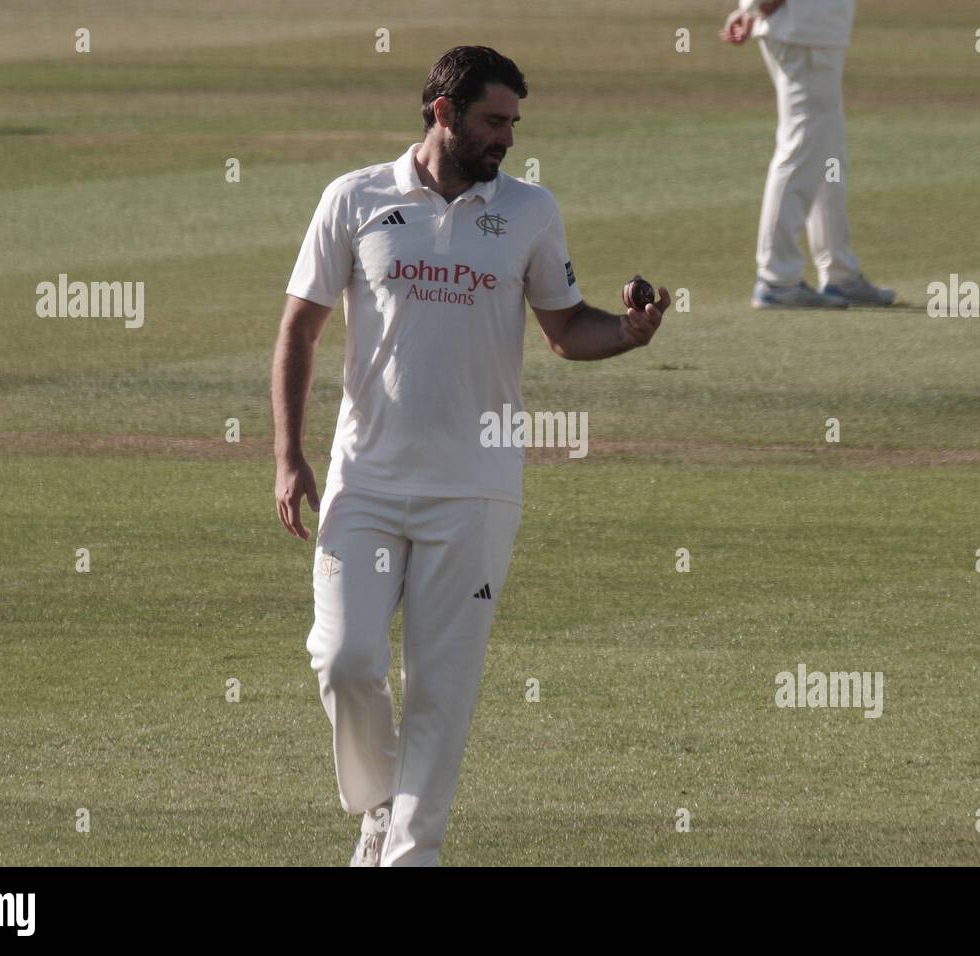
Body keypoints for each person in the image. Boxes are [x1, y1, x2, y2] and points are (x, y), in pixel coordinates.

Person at [270, 46, 669, 866]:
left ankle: (411, 854)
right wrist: (288, 454)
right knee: (345, 659)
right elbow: (298, 330)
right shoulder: (354, 198)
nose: (507, 139)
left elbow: (565, 330)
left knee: (442, 692)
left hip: (477, 487)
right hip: (366, 480)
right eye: (493, 121)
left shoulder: (528, 210)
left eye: (515, 123)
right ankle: (377, 806)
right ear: (442, 113)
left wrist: (627, 332)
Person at [721, 0, 896, 308]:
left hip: (813, 29)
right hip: (803, 32)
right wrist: (757, 5)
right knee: (802, 150)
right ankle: (777, 278)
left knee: (828, 153)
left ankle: (840, 273)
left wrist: (750, 8)